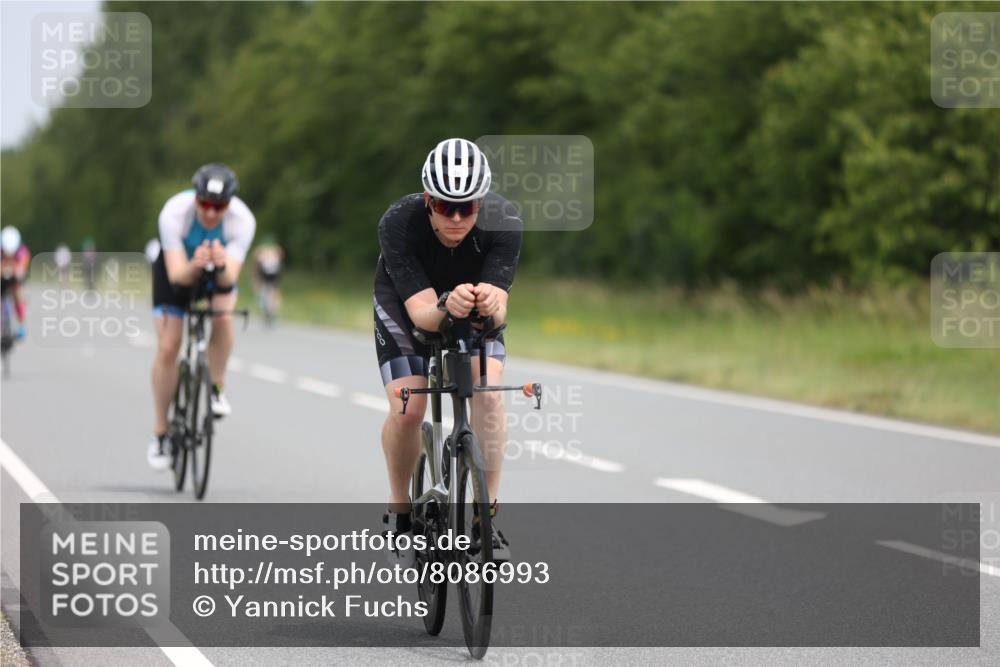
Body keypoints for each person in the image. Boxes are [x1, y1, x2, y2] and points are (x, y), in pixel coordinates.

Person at [373, 138, 523, 562]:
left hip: (471, 304)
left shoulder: (504, 220)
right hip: (409, 304)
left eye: (467, 207)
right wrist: (444, 306)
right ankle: (400, 507)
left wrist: (489, 305)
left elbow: (498, 309)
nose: (456, 218)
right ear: (427, 200)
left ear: (481, 204)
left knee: (489, 398)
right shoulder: (398, 223)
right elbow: (421, 315)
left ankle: (486, 518)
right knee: (408, 410)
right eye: (444, 207)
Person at [147, 163, 256, 470]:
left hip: (215, 275)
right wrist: (196, 264)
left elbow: (229, 279)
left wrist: (220, 265)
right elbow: (178, 275)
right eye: (204, 204)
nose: (210, 212)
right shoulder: (173, 213)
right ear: (195, 198)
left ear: (229, 204)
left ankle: (216, 386)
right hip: (177, 270)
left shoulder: (242, 221)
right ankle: (160, 432)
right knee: (169, 346)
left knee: (223, 316)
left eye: (218, 206)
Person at [1, 227, 32, 339]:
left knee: (17, 293)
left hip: (15, 279)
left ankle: (21, 324)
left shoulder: (22, 251)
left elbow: (22, 268)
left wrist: (15, 270)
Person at [251, 234, 284, 325]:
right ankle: (267, 314)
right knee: (265, 295)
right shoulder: (260, 252)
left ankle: (272, 313)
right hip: (266, 277)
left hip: (272, 277)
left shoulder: (275, 251)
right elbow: (256, 268)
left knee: (273, 294)